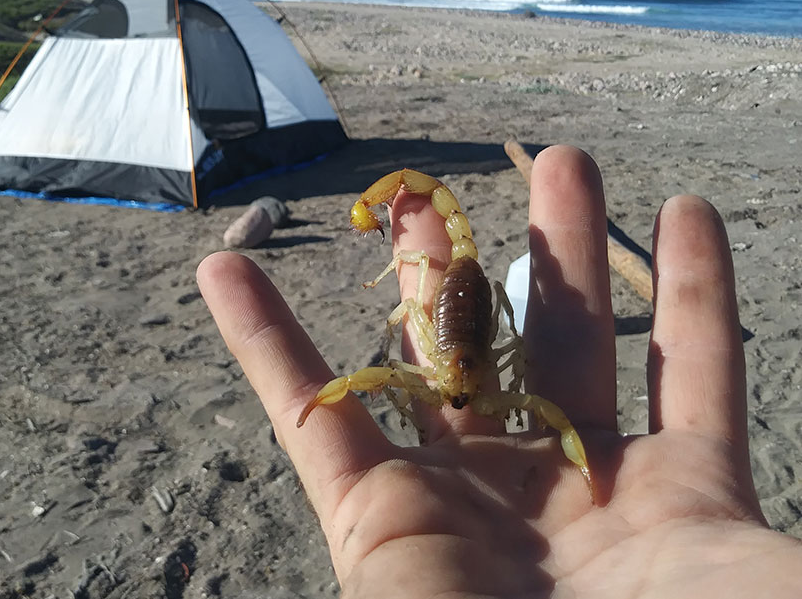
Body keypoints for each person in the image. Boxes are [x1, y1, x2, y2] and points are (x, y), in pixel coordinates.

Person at [196, 146, 802, 597]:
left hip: (472, 317)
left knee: (472, 351)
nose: (460, 400)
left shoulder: (458, 378)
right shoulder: (456, 376)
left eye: (462, 394)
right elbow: (382, 371)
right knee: (407, 312)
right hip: (456, 314)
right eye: (459, 395)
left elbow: (533, 399)